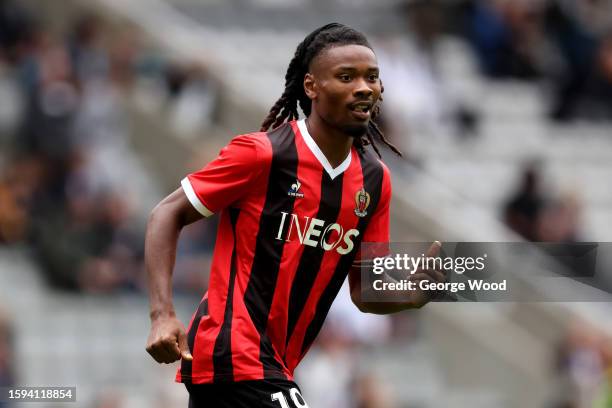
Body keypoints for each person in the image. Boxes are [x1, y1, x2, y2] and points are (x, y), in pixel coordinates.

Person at [145, 23, 444, 408]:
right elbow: (166, 213)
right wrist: (162, 314)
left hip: (276, 364)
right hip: (233, 353)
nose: (364, 87)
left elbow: (365, 290)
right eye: (346, 76)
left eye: (372, 77)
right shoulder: (263, 154)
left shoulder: (374, 180)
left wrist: (411, 292)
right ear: (311, 87)